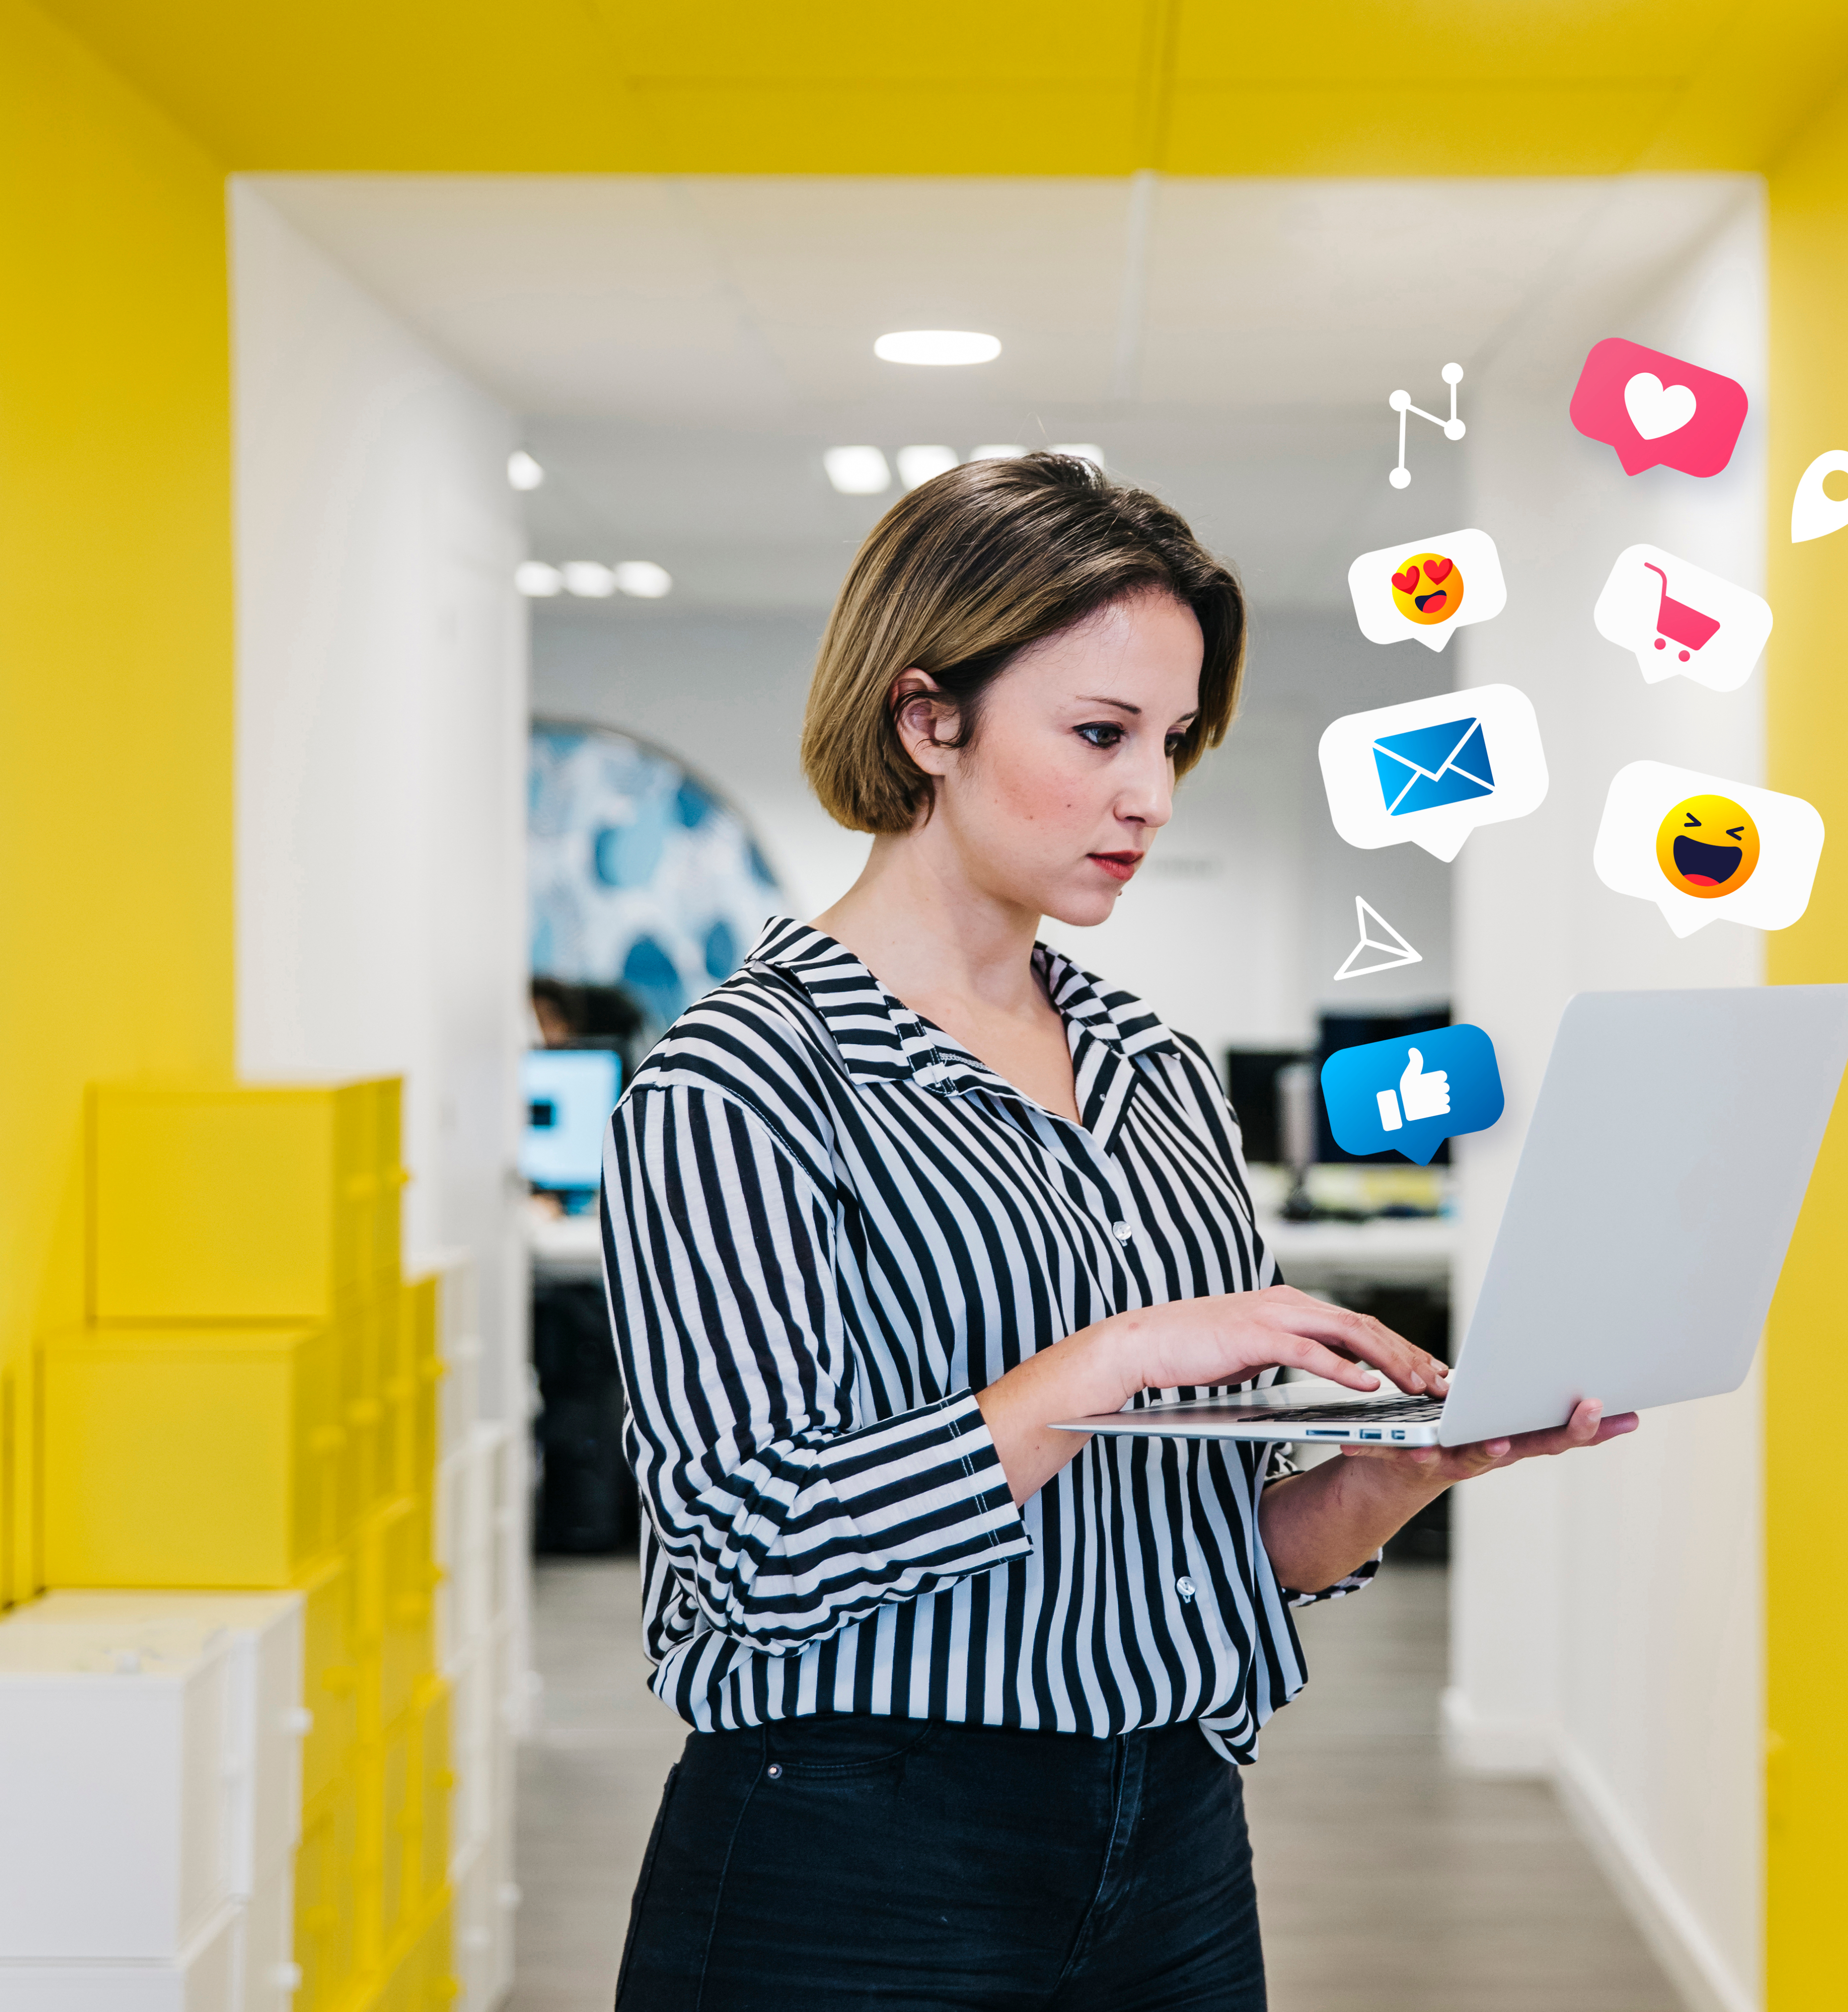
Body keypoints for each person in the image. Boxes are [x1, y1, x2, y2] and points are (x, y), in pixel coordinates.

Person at [601, 453, 1634, 2010]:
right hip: (847, 1869)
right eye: (1096, 735)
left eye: (1170, 741)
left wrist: (1389, 1476)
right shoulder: (741, 1078)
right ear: (926, 718)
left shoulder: (1155, 1069)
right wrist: (1101, 1367)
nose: (1147, 794)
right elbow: (742, 1557)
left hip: (1172, 1852)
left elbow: (1203, 1554)